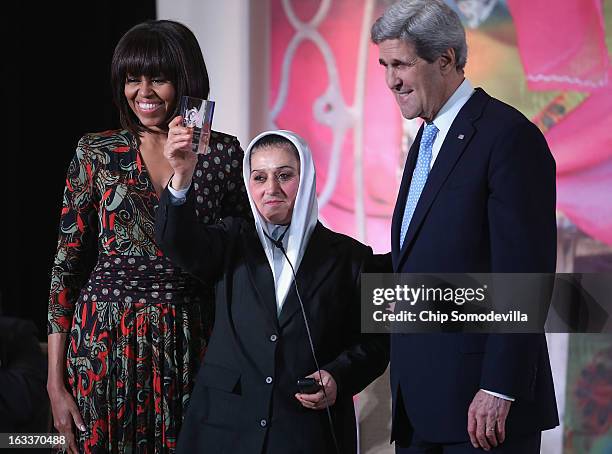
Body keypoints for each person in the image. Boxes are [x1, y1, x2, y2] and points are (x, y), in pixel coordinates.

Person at [47, 20, 250, 454]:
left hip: (192, 339)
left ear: (185, 79)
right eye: (131, 79)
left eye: (157, 78)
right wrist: (54, 382)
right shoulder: (96, 152)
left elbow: (237, 259)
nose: (143, 92)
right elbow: (65, 269)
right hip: (104, 341)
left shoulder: (225, 153)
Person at [370, 1, 559, 453]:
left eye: (401, 64)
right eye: (384, 65)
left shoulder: (509, 137)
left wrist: (499, 387)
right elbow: (418, 260)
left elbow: (525, 274)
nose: (391, 80)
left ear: (446, 59)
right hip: (420, 404)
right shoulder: (425, 140)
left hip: (483, 410)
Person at [155, 127, 390, 453]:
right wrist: (182, 176)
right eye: (259, 177)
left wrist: (338, 377)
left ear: (306, 178)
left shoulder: (352, 257)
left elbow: (376, 343)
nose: (271, 189)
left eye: (284, 176)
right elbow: (176, 240)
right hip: (224, 428)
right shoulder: (231, 239)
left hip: (305, 430)